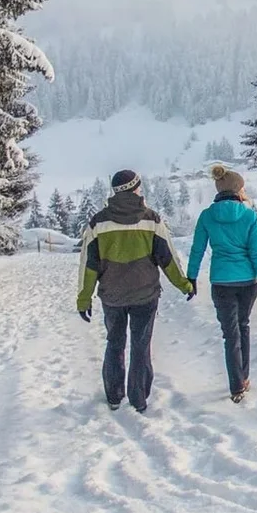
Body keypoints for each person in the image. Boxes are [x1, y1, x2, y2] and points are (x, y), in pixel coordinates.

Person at [77, 170, 193, 413]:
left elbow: (89, 264)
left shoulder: (98, 223)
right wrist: (184, 285)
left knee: (114, 343)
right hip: (145, 295)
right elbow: (168, 259)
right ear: (135, 188)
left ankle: (114, 395)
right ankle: (139, 398)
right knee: (141, 345)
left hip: (112, 295)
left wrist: (84, 298)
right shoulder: (151, 220)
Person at [186, 165, 257, 403]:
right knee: (243, 325)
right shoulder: (249, 216)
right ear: (238, 190)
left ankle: (236, 385)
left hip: (222, 281)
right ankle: (244, 377)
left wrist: (191, 278)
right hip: (248, 282)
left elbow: (197, 250)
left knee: (230, 334)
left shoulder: (207, 216)